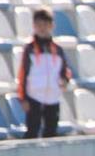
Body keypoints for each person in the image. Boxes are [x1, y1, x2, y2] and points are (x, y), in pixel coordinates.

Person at [17, 8, 71, 139]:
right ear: (34, 26)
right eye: (39, 25)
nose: (42, 28)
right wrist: (23, 98)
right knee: (32, 132)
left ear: (52, 26)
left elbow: (65, 71)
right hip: (34, 97)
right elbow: (23, 74)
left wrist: (65, 80)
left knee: (51, 133)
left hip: (53, 97)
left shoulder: (57, 50)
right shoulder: (29, 49)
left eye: (46, 25)